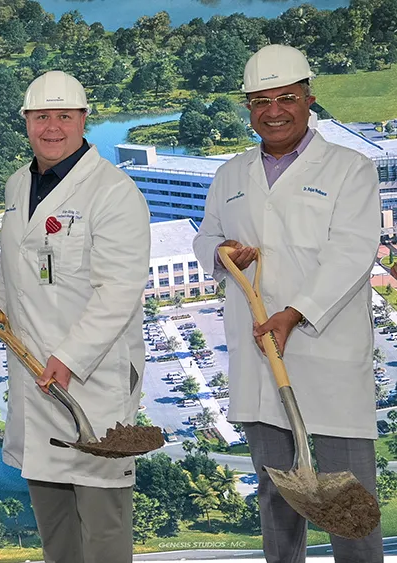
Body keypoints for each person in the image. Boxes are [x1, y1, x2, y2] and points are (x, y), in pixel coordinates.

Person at [192, 44, 383, 563]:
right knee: (277, 499)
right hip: (260, 354)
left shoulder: (350, 168)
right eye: (260, 100)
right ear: (248, 107)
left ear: (309, 100)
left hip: (327, 351)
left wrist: (293, 313)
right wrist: (221, 251)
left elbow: (352, 253)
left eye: (286, 97)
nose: (273, 110)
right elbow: (205, 237)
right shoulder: (231, 174)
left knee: (348, 500)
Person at [0, 70, 151, 563]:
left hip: (93, 379)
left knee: (103, 522)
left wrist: (70, 357)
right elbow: (12, 265)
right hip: (36, 374)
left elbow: (118, 292)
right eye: (41, 116)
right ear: (26, 121)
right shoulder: (15, 185)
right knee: (53, 519)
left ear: (84, 120)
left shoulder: (114, 193)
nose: (52, 127)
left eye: (64, 116)